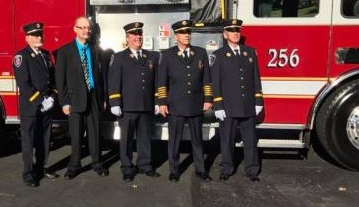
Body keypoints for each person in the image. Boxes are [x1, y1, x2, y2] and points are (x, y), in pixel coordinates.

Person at [157, 20, 213, 182]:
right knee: (174, 141)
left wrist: (208, 98)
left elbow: (206, 79)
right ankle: (174, 171)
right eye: (183, 33)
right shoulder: (167, 55)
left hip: (196, 103)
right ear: (176, 37)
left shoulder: (200, 53)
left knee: (197, 140)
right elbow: (162, 82)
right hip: (175, 105)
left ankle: (201, 170)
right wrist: (162, 102)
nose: (187, 35)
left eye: (188, 32)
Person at [55, 16, 108, 179]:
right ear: (75, 29)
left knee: (95, 133)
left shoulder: (94, 50)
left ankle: (97, 163)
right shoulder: (65, 51)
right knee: (76, 135)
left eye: (88, 28)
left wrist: (103, 98)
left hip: (93, 97)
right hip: (75, 98)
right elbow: (60, 79)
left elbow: (102, 75)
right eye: (83, 27)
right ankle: (74, 166)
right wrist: (64, 102)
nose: (87, 31)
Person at [211, 18, 263, 182]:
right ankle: (226, 169)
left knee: (250, 140)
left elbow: (256, 78)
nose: (236, 34)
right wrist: (218, 104)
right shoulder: (218, 55)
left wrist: (258, 101)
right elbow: (216, 82)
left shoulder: (250, 52)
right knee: (226, 140)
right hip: (228, 106)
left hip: (247, 105)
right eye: (232, 31)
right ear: (225, 34)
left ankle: (252, 170)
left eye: (238, 31)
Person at [108, 22, 160, 182]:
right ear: (127, 37)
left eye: (140, 34)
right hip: (127, 106)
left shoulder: (151, 56)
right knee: (127, 139)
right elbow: (114, 81)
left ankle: (145, 165)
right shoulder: (119, 57)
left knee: (145, 138)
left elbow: (157, 81)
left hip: (146, 105)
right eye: (134, 34)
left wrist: (158, 100)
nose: (138, 37)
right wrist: (115, 102)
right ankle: (127, 167)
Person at [13, 22, 57, 187]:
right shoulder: (21, 57)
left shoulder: (45, 55)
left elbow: (51, 80)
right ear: (27, 38)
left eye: (41, 34)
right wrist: (41, 101)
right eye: (36, 35)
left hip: (47, 105)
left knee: (44, 139)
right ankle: (28, 172)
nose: (40, 37)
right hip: (31, 107)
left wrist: (52, 97)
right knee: (29, 140)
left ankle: (41, 168)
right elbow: (24, 84)